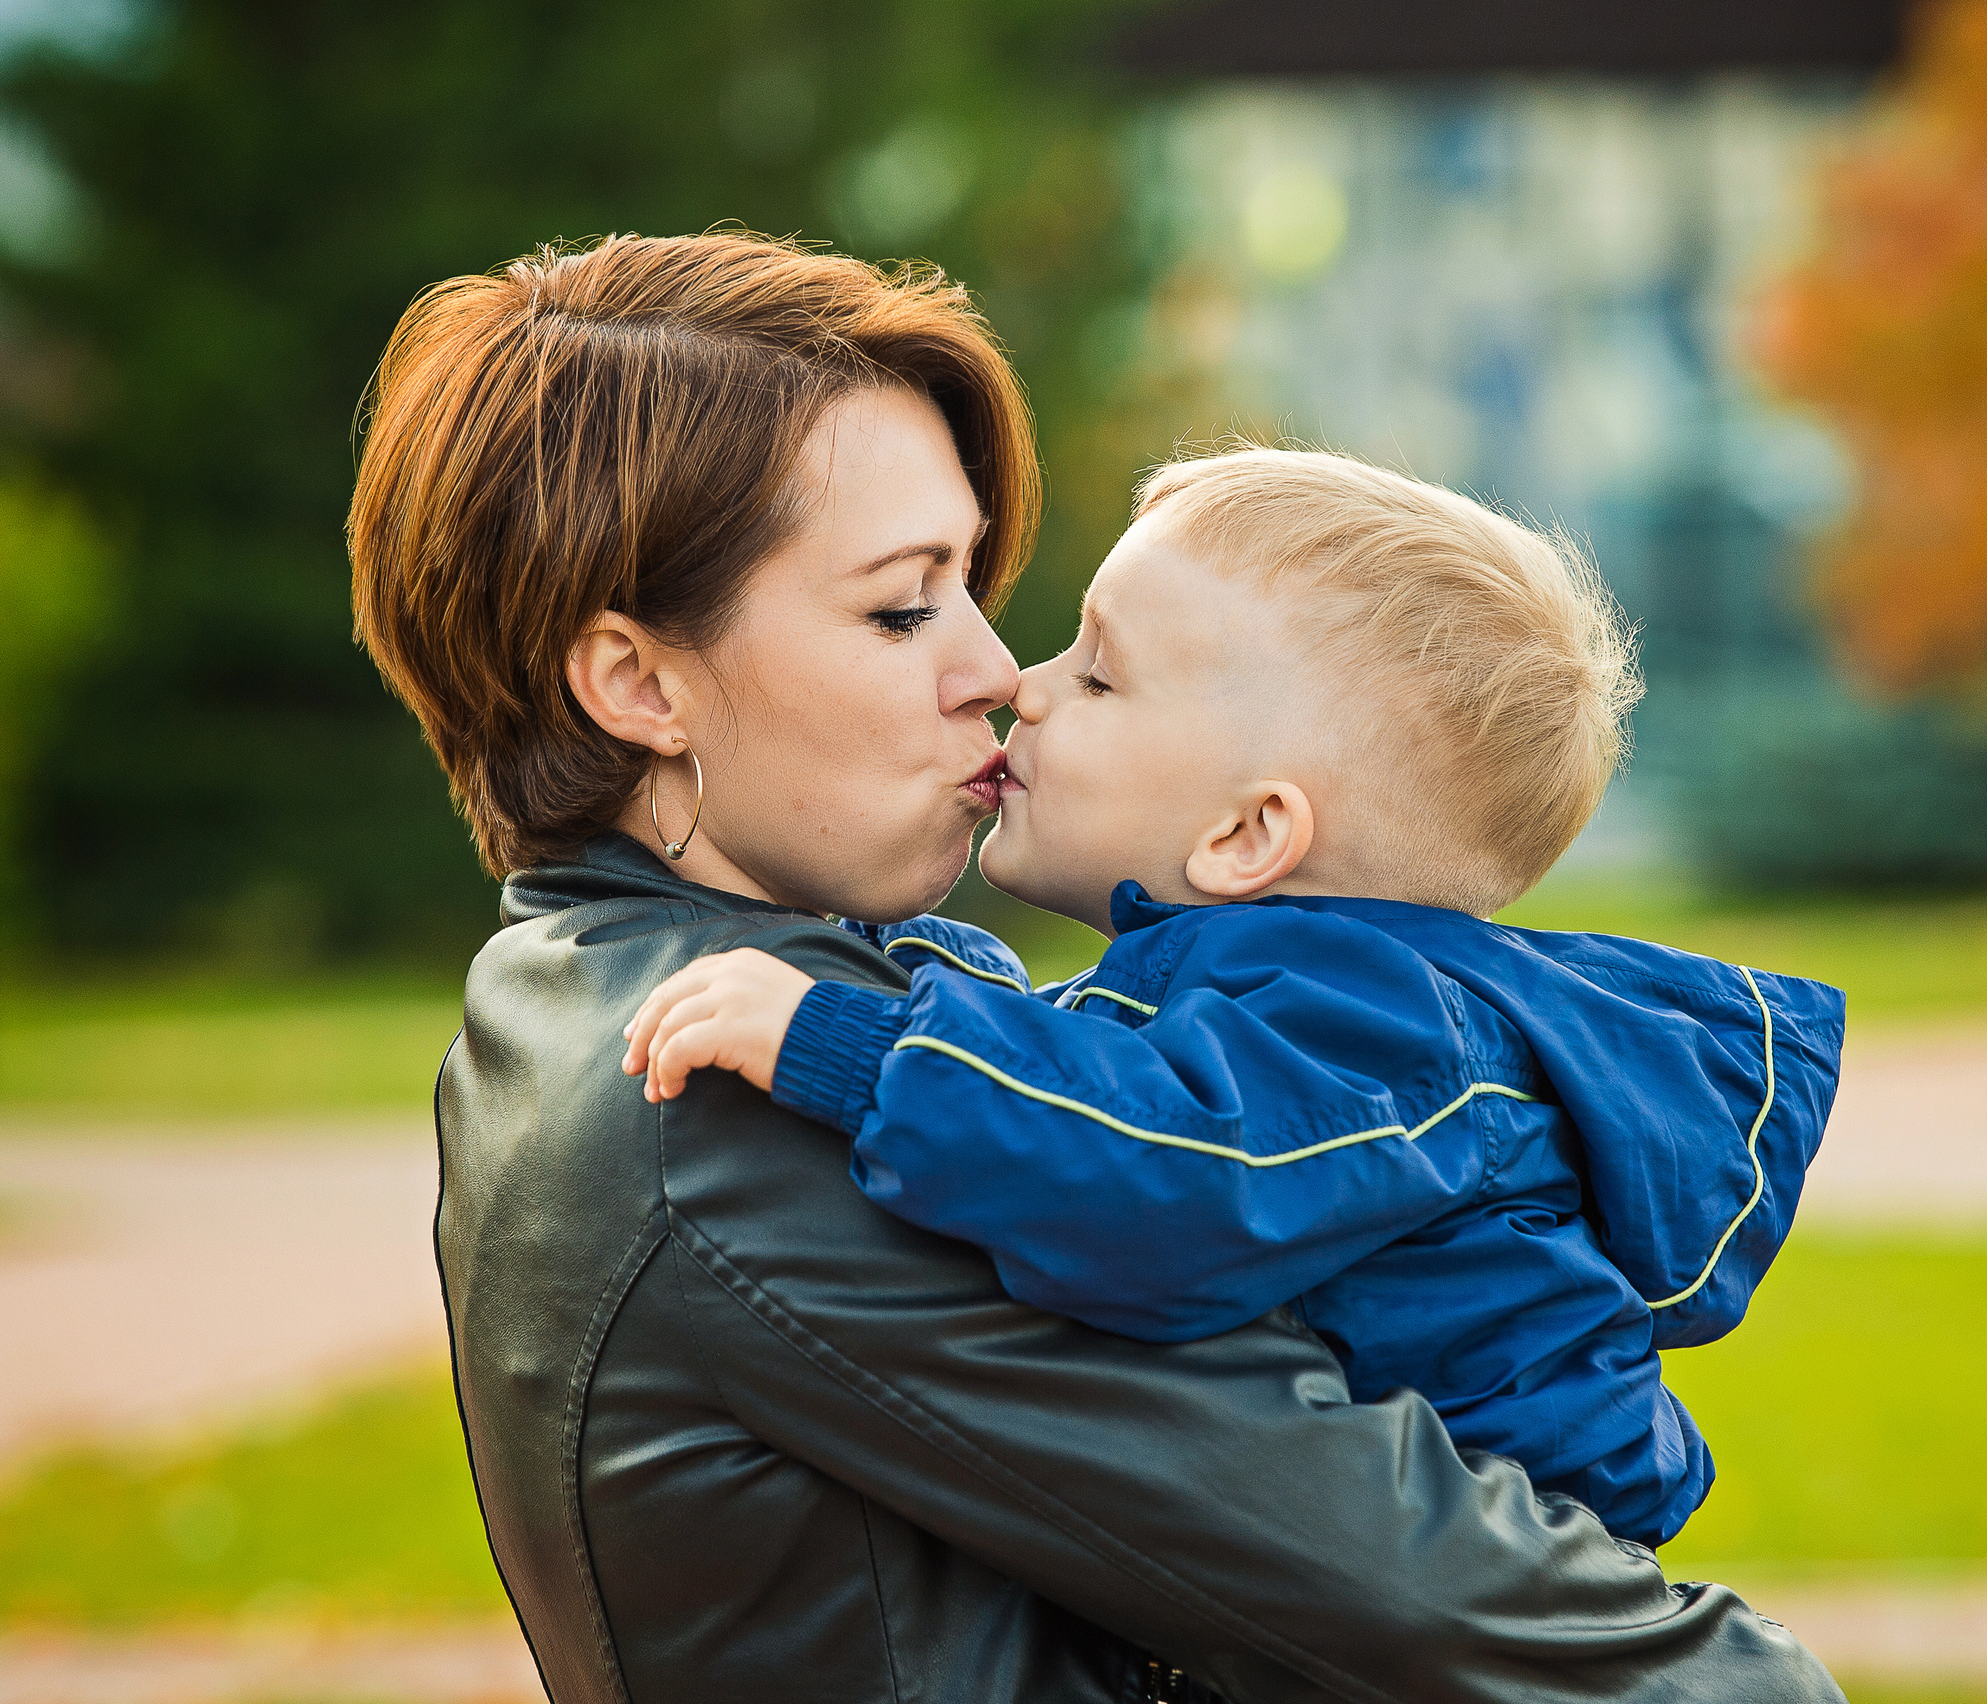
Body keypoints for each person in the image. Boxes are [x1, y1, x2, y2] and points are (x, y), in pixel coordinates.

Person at [349, 229, 1844, 1703]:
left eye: (974, 588)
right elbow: (1387, 1568)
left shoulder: (629, 998)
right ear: (636, 684)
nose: (997, 672)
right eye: (899, 605)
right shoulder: (736, 1100)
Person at [623, 446, 1846, 1552]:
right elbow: (1110, 1067)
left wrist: (843, 1043)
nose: (1023, 683)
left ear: (1249, 833)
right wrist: (943, 980)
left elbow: (1163, 1181)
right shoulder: (1305, 998)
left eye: (1099, 678)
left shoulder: (1367, 1027)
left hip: (1475, 1618)